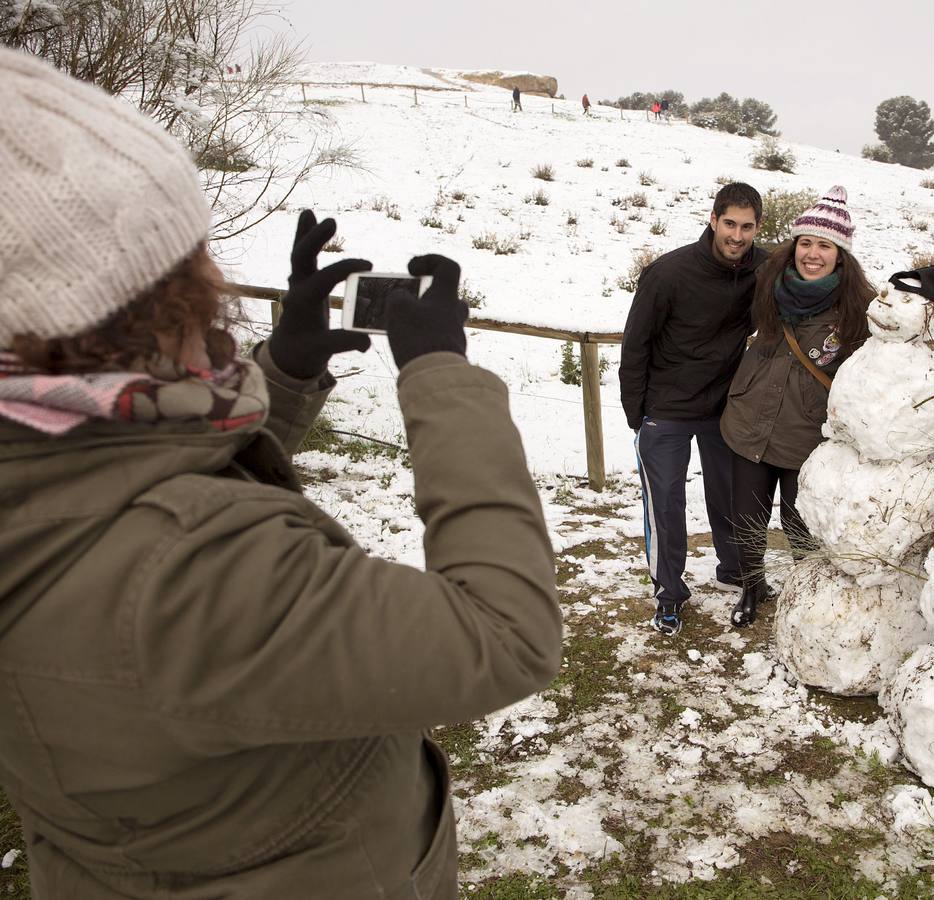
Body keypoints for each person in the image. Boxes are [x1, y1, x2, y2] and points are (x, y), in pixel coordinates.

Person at [0, 48, 560, 899]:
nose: (214, 316)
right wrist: (440, 371)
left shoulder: (41, 477)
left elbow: (139, 490)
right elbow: (506, 632)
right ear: (110, 325)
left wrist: (286, 374)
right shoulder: (183, 576)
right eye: (187, 289)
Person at [719, 186, 874, 627]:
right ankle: (752, 588)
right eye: (806, 242)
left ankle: (806, 594)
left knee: (801, 522)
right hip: (750, 420)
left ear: (840, 254)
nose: (812, 253)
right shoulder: (768, 281)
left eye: (825, 245)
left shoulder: (857, 307)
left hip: (807, 431)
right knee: (746, 515)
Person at [620, 182, 768, 636]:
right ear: (713, 219)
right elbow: (635, 344)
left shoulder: (763, 268)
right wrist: (637, 414)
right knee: (665, 503)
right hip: (666, 408)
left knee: (730, 496)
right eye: (730, 224)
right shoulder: (669, 273)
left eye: (747, 227)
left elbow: (816, 274)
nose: (737, 236)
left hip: (723, 408)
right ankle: (668, 593)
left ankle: (735, 569)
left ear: (758, 227)